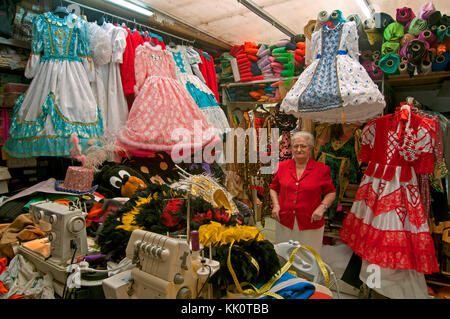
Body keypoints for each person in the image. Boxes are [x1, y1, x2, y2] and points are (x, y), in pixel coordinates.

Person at [269, 131, 336, 255]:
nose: (299, 149)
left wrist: (322, 207)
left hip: (310, 221)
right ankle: (287, 275)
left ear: (310, 148)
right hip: (285, 220)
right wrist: (276, 205)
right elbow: (273, 187)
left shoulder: (321, 169)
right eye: (295, 146)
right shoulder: (282, 166)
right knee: (285, 254)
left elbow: (331, 193)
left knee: (308, 257)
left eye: (303, 146)